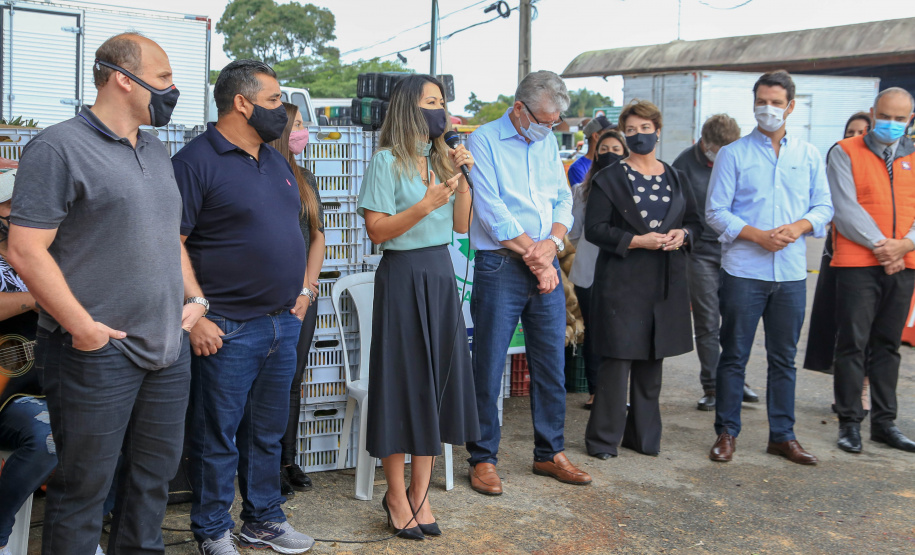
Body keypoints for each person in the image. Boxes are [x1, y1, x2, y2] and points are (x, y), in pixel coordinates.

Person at [8, 33, 205, 554]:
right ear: (124, 77)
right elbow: (25, 250)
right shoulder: (56, 146)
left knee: (151, 487)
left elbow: (167, 237)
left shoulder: (156, 148)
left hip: (166, 349)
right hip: (96, 353)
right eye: (163, 78)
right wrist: (84, 328)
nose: (172, 89)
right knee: (81, 492)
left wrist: (195, 301)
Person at [175, 60, 315, 554]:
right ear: (242, 102)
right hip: (226, 328)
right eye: (275, 100)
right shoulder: (195, 161)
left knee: (267, 432)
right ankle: (213, 530)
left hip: (281, 323)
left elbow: (290, 235)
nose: (283, 111)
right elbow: (172, 242)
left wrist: (299, 293)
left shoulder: (275, 160)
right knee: (218, 437)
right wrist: (196, 315)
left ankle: (263, 519)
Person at [357, 74, 479, 540]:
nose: (440, 110)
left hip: (440, 276)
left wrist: (459, 178)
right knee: (401, 384)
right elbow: (378, 231)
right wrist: (427, 204)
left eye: (443, 102)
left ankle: (421, 493)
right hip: (403, 276)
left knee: (435, 384)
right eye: (431, 102)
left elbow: (463, 226)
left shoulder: (441, 158)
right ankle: (394, 494)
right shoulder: (386, 162)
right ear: (410, 108)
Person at [466, 70, 592, 495]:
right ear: (519, 109)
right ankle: (482, 458)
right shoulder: (483, 140)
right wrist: (538, 258)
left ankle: (549, 452)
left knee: (550, 362)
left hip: (545, 258)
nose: (549, 127)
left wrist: (552, 244)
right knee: (489, 363)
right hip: (502, 263)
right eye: (543, 119)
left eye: (555, 121)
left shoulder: (547, 141)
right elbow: (491, 209)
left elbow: (562, 197)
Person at [706, 70, 833, 465]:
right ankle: (727, 433)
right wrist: (757, 235)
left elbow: (824, 207)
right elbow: (715, 212)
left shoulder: (808, 155)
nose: (768, 109)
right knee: (735, 355)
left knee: (783, 358)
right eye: (762, 101)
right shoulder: (733, 154)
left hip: (792, 274)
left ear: (790, 106)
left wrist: (799, 226)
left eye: (776, 102)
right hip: (744, 271)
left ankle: (782, 435)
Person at [583, 100, 700, 459]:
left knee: (653, 361)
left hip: (665, 281)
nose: (638, 136)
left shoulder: (676, 175)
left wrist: (684, 235)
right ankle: (604, 441)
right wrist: (635, 240)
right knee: (617, 364)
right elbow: (594, 229)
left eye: (645, 129)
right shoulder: (609, 177)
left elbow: (695, 222)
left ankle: (645, 438)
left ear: (658, 131)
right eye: (631, 130)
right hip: (622, 280)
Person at [828, 88, 915, 454]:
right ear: (872, 112)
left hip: (904, 263)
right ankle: (850, 423)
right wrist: (886, 248)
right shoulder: (844, 151)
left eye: (900, 119)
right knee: (853, 344)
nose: (892, 124)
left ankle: (885, 423)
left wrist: (906, 245)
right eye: (886, 116)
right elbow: (845, 210)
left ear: (910, 120)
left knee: (888, 346)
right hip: (858, 265)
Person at [671, 114, 755, 411]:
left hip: (737, 248)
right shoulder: (683, 166)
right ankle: (712, 386)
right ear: (704, 143)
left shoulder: (741, 158)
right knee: (708, 322)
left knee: (738, 320)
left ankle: (735, 379)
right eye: (718, 150)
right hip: (701, 252)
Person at [269, 102, 325, 497]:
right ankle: (265, 463)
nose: (304, 132)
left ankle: (288, 459)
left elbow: (318, 236)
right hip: (268, 299)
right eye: (299, 125)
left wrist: (308, 287)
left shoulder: (305, 178)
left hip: (302, 298)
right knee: (266, 386)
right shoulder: (262, 174)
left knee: (293, 382)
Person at [804, 112, 872, 375]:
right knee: (844, 323)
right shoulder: (838, 158)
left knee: (872, 327)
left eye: (862, 132)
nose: (855, 138)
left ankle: (865, 384)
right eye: (850, 132)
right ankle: (844, 383)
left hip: (878, 253)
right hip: (842, 249)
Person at [568, 129, 628, 409]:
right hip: (589, 272)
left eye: (616, 149)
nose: (609, 155)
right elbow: (574, 233)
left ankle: (618, 392)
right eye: (603, 150)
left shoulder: (633, 191)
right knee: (594, 333)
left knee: (620, 333)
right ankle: (595, 391)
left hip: (626, 273)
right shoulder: (581, 191)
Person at [568, 115, 615, 186]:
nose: (613, 138)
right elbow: (585, 194)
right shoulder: (577, 168)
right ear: (596, 136)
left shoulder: (613, 162)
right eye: (608, 134)